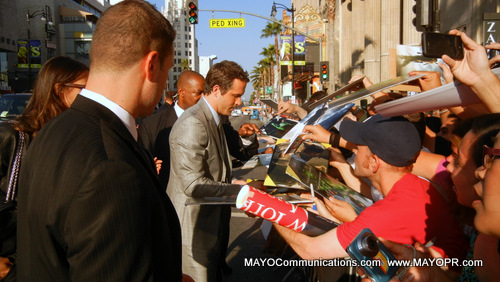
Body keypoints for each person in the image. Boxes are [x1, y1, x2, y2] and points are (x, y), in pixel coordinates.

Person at [17, 1, 183, 281]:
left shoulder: (51, 130)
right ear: (151, 64)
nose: (165, 84)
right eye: (167, 70)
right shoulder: (111, 167)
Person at [274, 114, 467, 272]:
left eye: (359, 149)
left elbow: (310, 251)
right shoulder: (415, 186)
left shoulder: (391, 211)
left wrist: (271, 209)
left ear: (374, 162)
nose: (355, 152)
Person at [0, 56, 88, 281]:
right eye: (84, 88)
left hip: (56, 261)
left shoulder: (75, 138)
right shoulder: (12, 137)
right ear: (59, 90)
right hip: (14, 260)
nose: (90, 97)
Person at [167, 60, 251, 282]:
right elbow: (193, 184)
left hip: (213, 223)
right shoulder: (193, 123)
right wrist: (237, 191)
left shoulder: (217, 118)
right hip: (194, 228)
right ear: (216, 90)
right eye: (235, 95)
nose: (239, 101)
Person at [138, 70, 260, 188]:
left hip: (217, 203)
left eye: (205, 92)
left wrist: (246, 138)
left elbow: (242, 153)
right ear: (181, 92)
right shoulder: (152, 126)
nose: (203, 97)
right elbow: (143, 171)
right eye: (198, 93)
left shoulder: (219, 119)